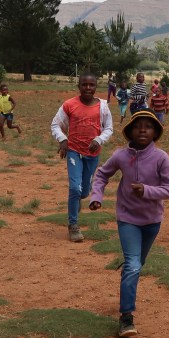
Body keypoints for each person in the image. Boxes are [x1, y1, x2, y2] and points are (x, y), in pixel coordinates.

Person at [88, 109, 169, 338]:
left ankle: (130, 269)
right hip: (127, 218)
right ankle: (126, 317)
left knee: (138, 263)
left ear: (155, 132)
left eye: (148, 126)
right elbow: (101, 174)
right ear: (130, 130)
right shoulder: (120, 155)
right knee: (133, 265)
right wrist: (96, 196)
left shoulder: (161, 158)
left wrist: (147, 190)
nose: (143, 130)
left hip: (152, 221)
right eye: (138, 126)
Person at [50, 73, 114, 242]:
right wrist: (63, 140)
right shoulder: (69, 105)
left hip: (92, 155)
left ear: (95, 87)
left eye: (91, 85)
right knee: (75, 189)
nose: (87, 88)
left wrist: (99, 139)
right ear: (79, 86)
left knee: (84, 191)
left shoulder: (102, 107)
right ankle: (73, 225)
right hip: (74, 152)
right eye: (84, 85)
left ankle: (77, 200)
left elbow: (109, 128)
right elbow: (56, 124)